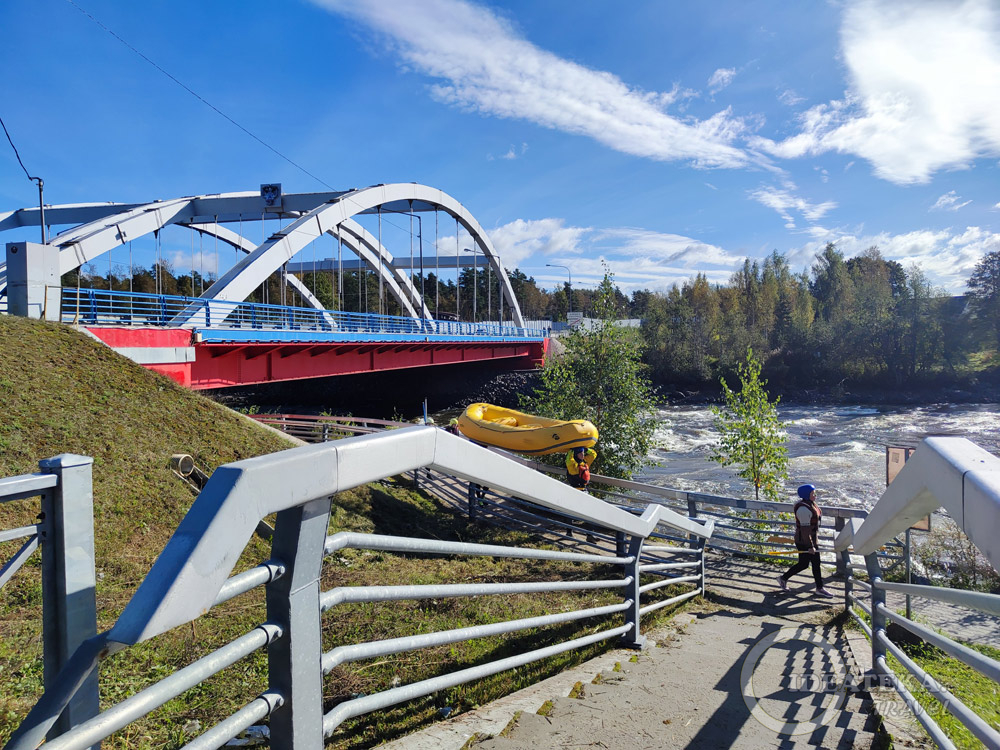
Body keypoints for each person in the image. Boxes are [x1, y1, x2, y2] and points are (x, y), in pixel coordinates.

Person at [778, 484, 833, 597]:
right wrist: (810, 546)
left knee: (806, 564)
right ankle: (819, 588)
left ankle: (783, 578)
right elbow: (804, 531)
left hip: (810, 540)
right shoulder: (803, 509)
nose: (815, 495)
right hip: (804, 541)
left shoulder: (810, 504)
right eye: (813, 493)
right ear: (806, 495)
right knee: (811, 563)